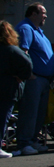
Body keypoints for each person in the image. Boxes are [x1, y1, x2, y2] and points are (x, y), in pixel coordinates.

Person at [15, 4, 54, 155]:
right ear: (33, 14)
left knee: (39, 113)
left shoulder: (39, 31)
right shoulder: (26, 28)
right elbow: (23, 52)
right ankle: (24, 143)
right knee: (30, 112)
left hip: (44, 79)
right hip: (34, 79)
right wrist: (28, 73)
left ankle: (32, 140)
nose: (45, 16)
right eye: (43, 13)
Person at [0, 21, 33, 157]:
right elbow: (27, 64)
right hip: (7, 88)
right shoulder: (11, 50)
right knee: (3, 118)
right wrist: (21, 76)